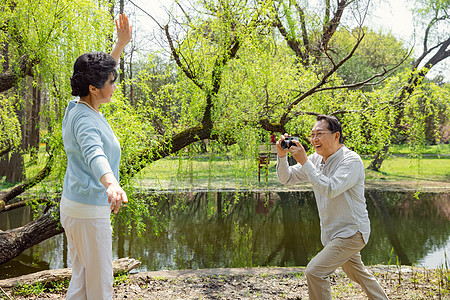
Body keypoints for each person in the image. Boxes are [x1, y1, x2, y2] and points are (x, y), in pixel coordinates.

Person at [276, 115, 388, 300]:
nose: (314, 139)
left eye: (319, 134)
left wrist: (305, 162)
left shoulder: (351, 161)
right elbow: (286, 178)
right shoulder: (315, 159)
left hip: (352, 233)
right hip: (333, 234)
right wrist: (282, 156)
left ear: (336, 136)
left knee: (315, 271)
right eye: (312, 135)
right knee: (357, 273)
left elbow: (330, 189)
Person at [60, 14, 132, 299]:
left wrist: (120, 45)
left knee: (81, 281)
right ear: (94, 88)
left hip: (76, 207)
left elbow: (99, 75)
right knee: (101, 287)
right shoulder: (86, 121)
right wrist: (111, 182)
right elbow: (94, 153)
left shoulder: (77, 106)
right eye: (111, 82)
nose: (114, 85)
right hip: (89, 212)